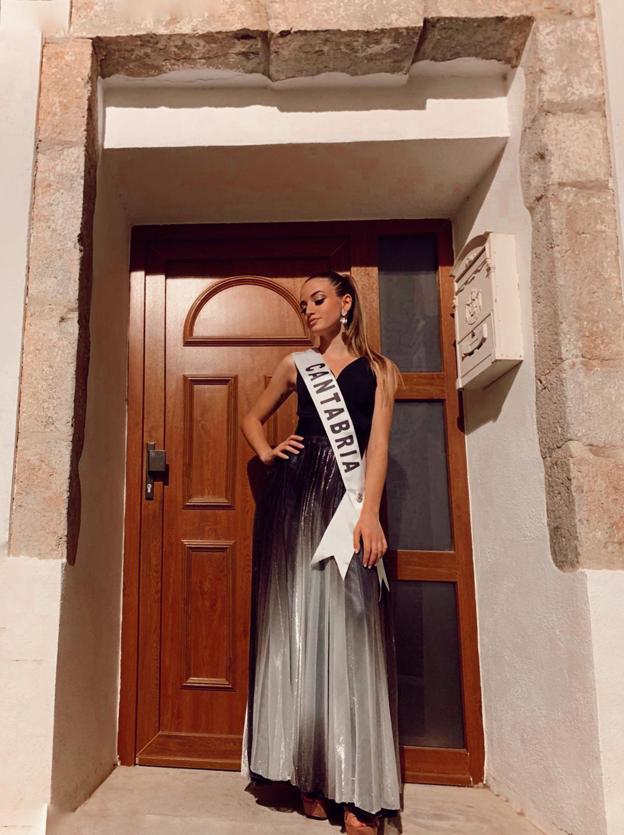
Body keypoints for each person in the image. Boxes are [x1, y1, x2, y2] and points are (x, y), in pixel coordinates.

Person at [240, 270, 403, 834]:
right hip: (295, 501)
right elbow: (250, 417)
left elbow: (377, 445)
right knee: (300, 626)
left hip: (350, 503)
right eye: (302, 303)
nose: (308, 309)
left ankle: (358, 789)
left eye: (317, 299)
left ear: (345, 303)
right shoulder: (295, 365)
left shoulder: (381, 370)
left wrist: (370, 512)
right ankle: (307, 775)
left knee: (351, 633)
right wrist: (266, 453)